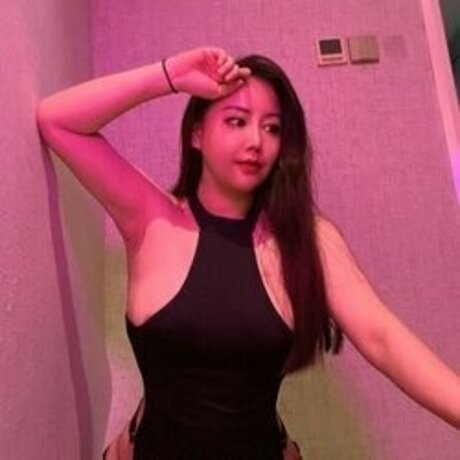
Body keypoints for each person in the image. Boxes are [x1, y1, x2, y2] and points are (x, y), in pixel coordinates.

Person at [36, 47, 460, 459]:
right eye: (236, 121)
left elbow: (382, 338)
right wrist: (170, 76)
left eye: (272, 128)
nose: (256, 140)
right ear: (197, 134)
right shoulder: (150, 218)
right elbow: (58, 121)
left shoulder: (306, 239)